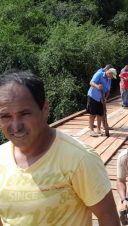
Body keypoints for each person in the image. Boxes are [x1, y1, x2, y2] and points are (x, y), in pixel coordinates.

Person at [0, 70, 120, 226]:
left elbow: (108, 218)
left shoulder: (79, 159)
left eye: (25, 113)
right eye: (5, 116)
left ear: (44, 109)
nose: (16, 126)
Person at [87, 65, 117, 136]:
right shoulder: (99, 74)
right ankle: (91, 130)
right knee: (92, 114)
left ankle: (99, 129)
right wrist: (97, 86)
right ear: (109, 73)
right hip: (93, 96)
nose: (112, 78)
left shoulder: (109, 79)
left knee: (100, 114)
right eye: (112, 76)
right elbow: (91, 82)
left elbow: (108, 90)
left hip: (101, 98)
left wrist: (105, 98)